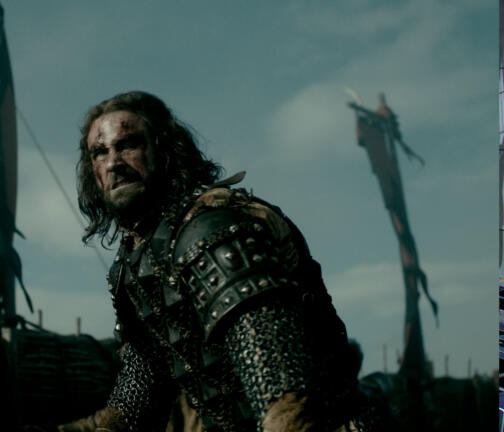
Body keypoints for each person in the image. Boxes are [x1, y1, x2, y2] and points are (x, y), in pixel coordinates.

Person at [58, 91, 387, 432]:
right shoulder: (136, 263)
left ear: (164, 150)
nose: (113, 163)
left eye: (128, 145)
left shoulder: (209, 231)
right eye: (100, 152)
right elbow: (136, 402)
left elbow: (286, 402)